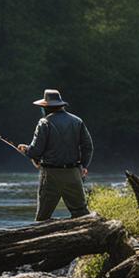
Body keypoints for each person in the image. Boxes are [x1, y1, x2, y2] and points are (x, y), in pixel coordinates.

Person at [16, 89, 94, 220]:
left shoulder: (44, 123)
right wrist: (83, 166)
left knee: (43, 217)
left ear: (46, 107)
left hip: (50, 175)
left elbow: (36, 151)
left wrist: (25, 150)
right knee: (81, 215)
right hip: (73, 173)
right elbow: (88, 147)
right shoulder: (77, 121)